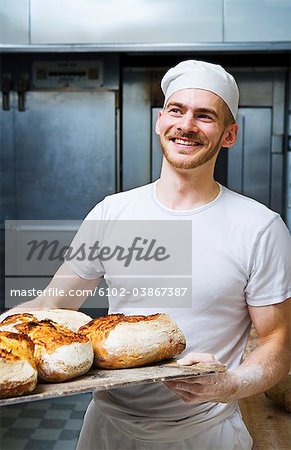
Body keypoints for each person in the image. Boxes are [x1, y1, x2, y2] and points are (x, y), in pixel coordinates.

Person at [2, 60, 291, 450]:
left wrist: (231, 384)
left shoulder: (259, 227)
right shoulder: (112, 212)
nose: (186, 125)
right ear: (160, 121)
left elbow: (277, 340)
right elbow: (54, 303)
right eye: (177, 110)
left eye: (205, 116)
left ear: (229, 135)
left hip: (204, 433)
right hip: (108, 431)